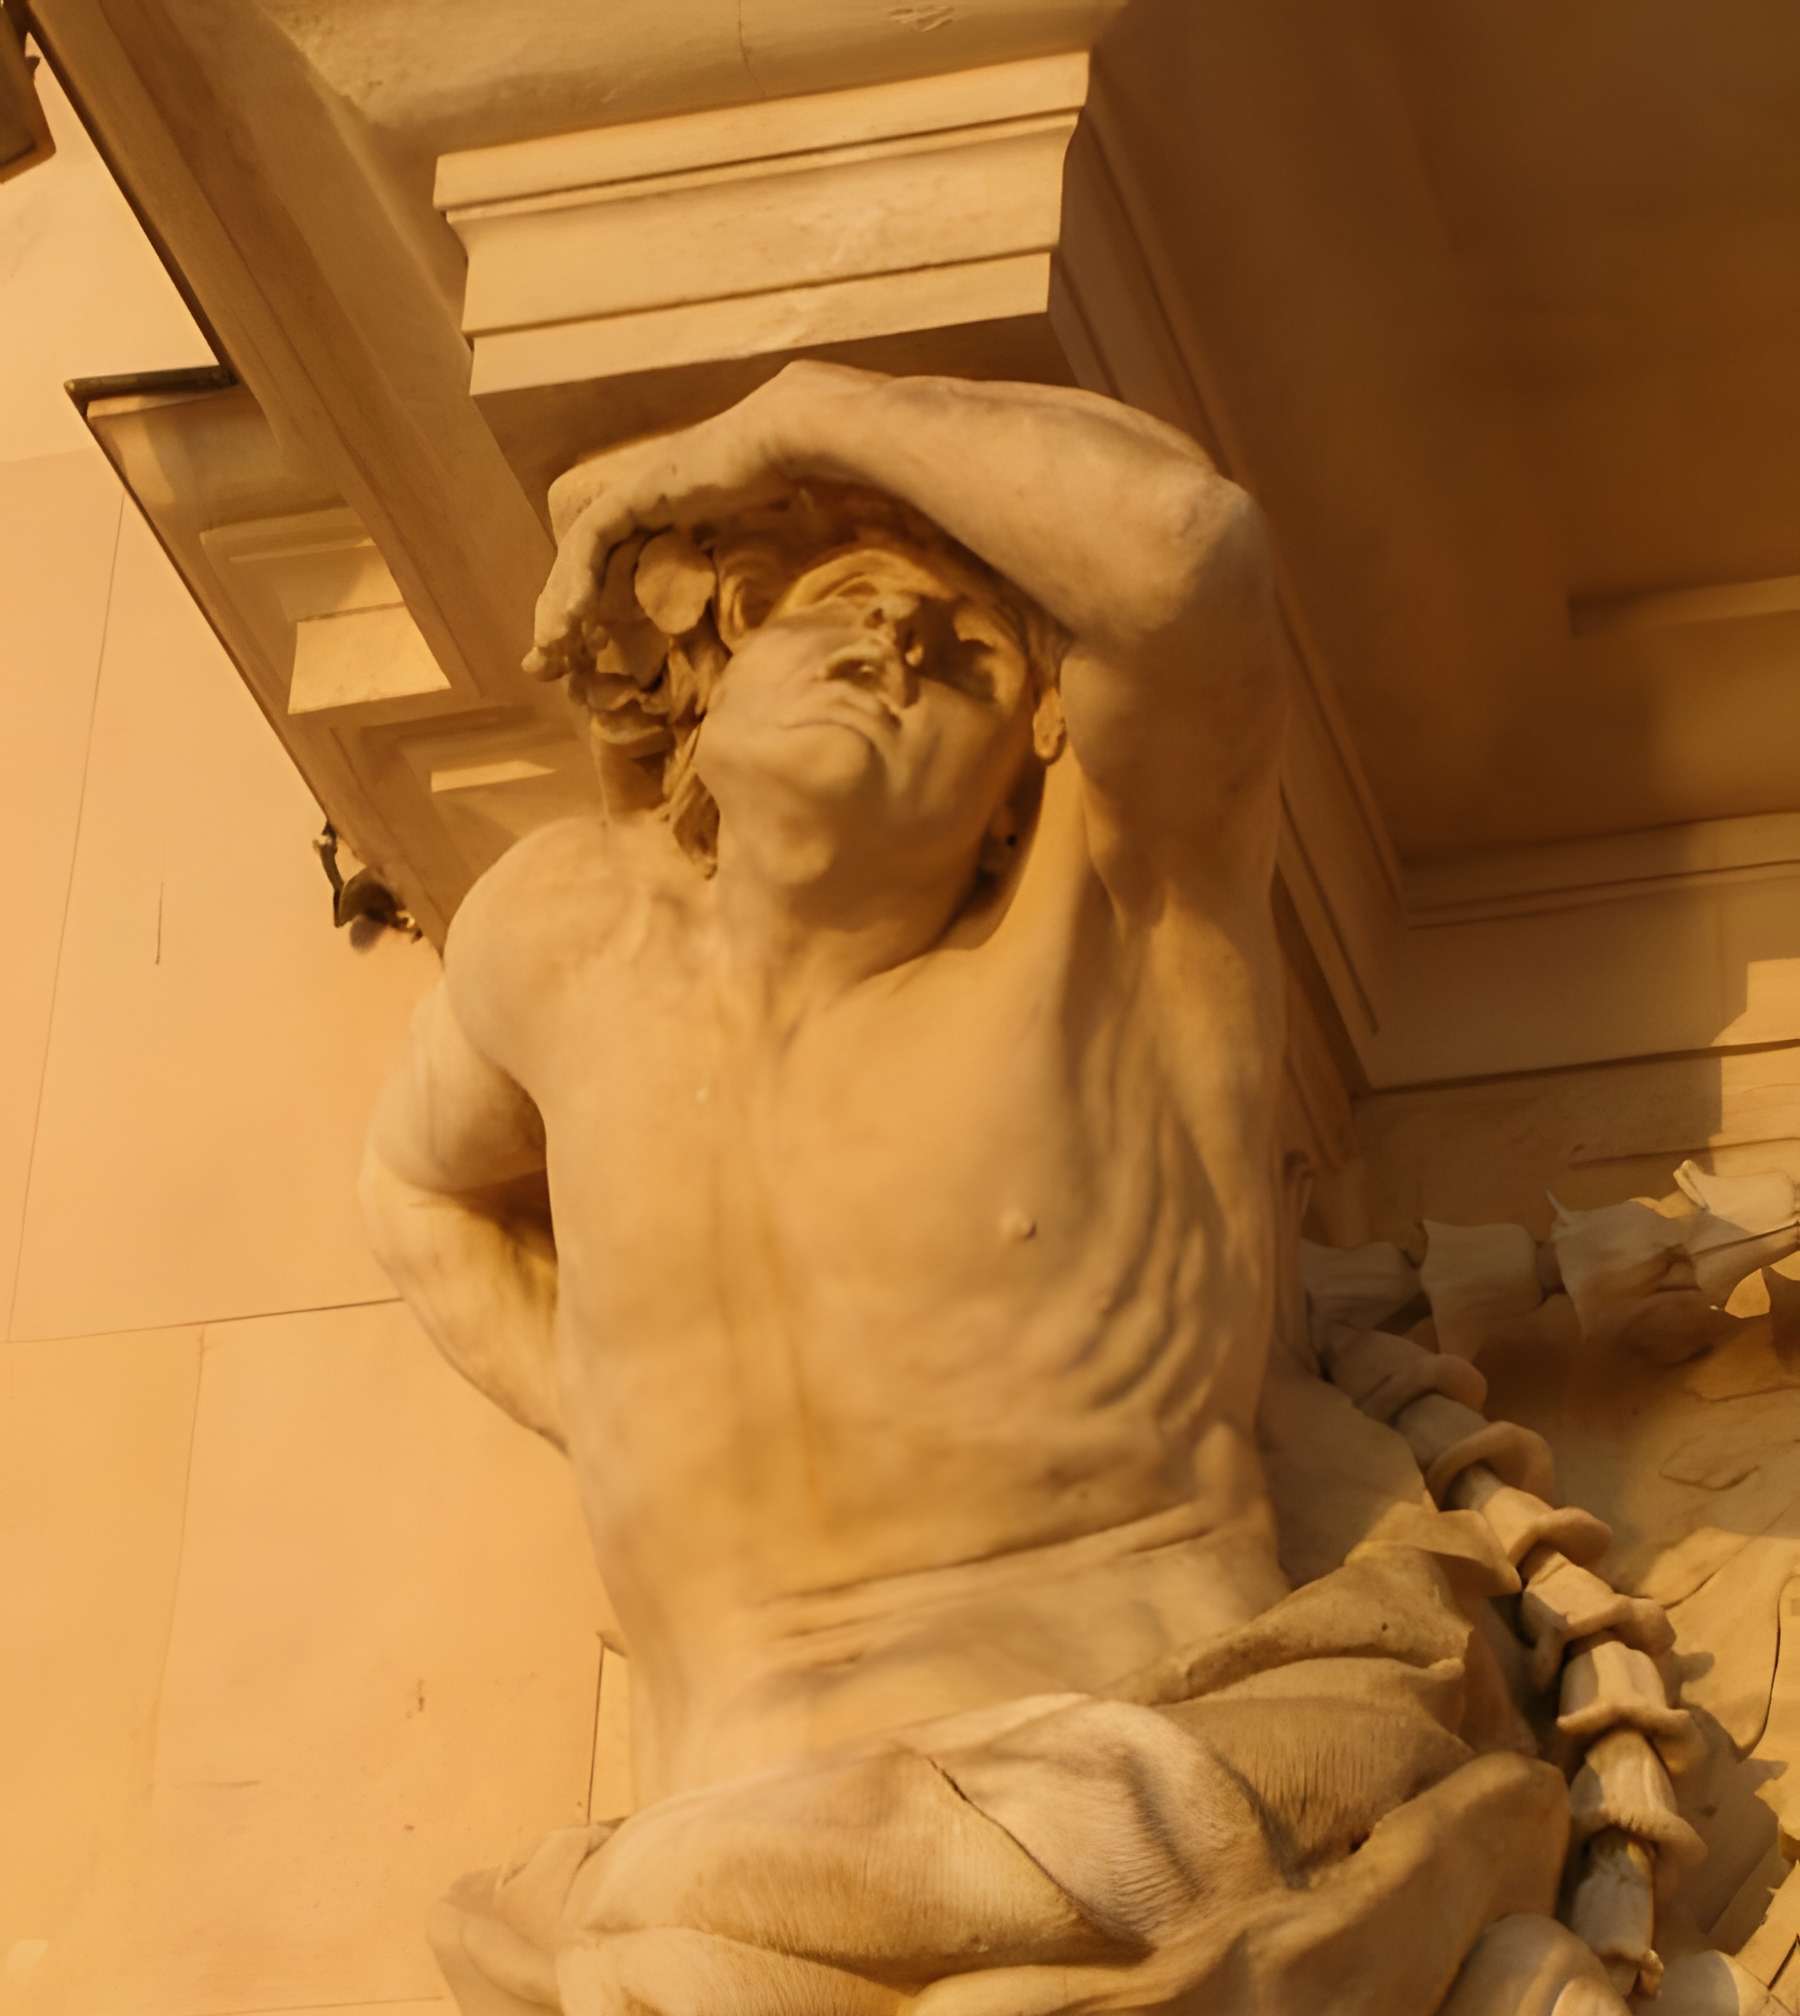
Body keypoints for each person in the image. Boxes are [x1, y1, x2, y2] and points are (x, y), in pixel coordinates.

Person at [360, 364, 1293, 1807]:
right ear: (716, 676)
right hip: (712, 1843)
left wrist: (791, 419)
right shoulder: (562, 946)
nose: (897, 640)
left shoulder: (1117, 925)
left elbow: (1185, 555)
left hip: (1122, 1787)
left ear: (1036, 754)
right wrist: (602, 1410)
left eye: (970, 651)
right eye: (839, 604)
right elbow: (415, 1190)